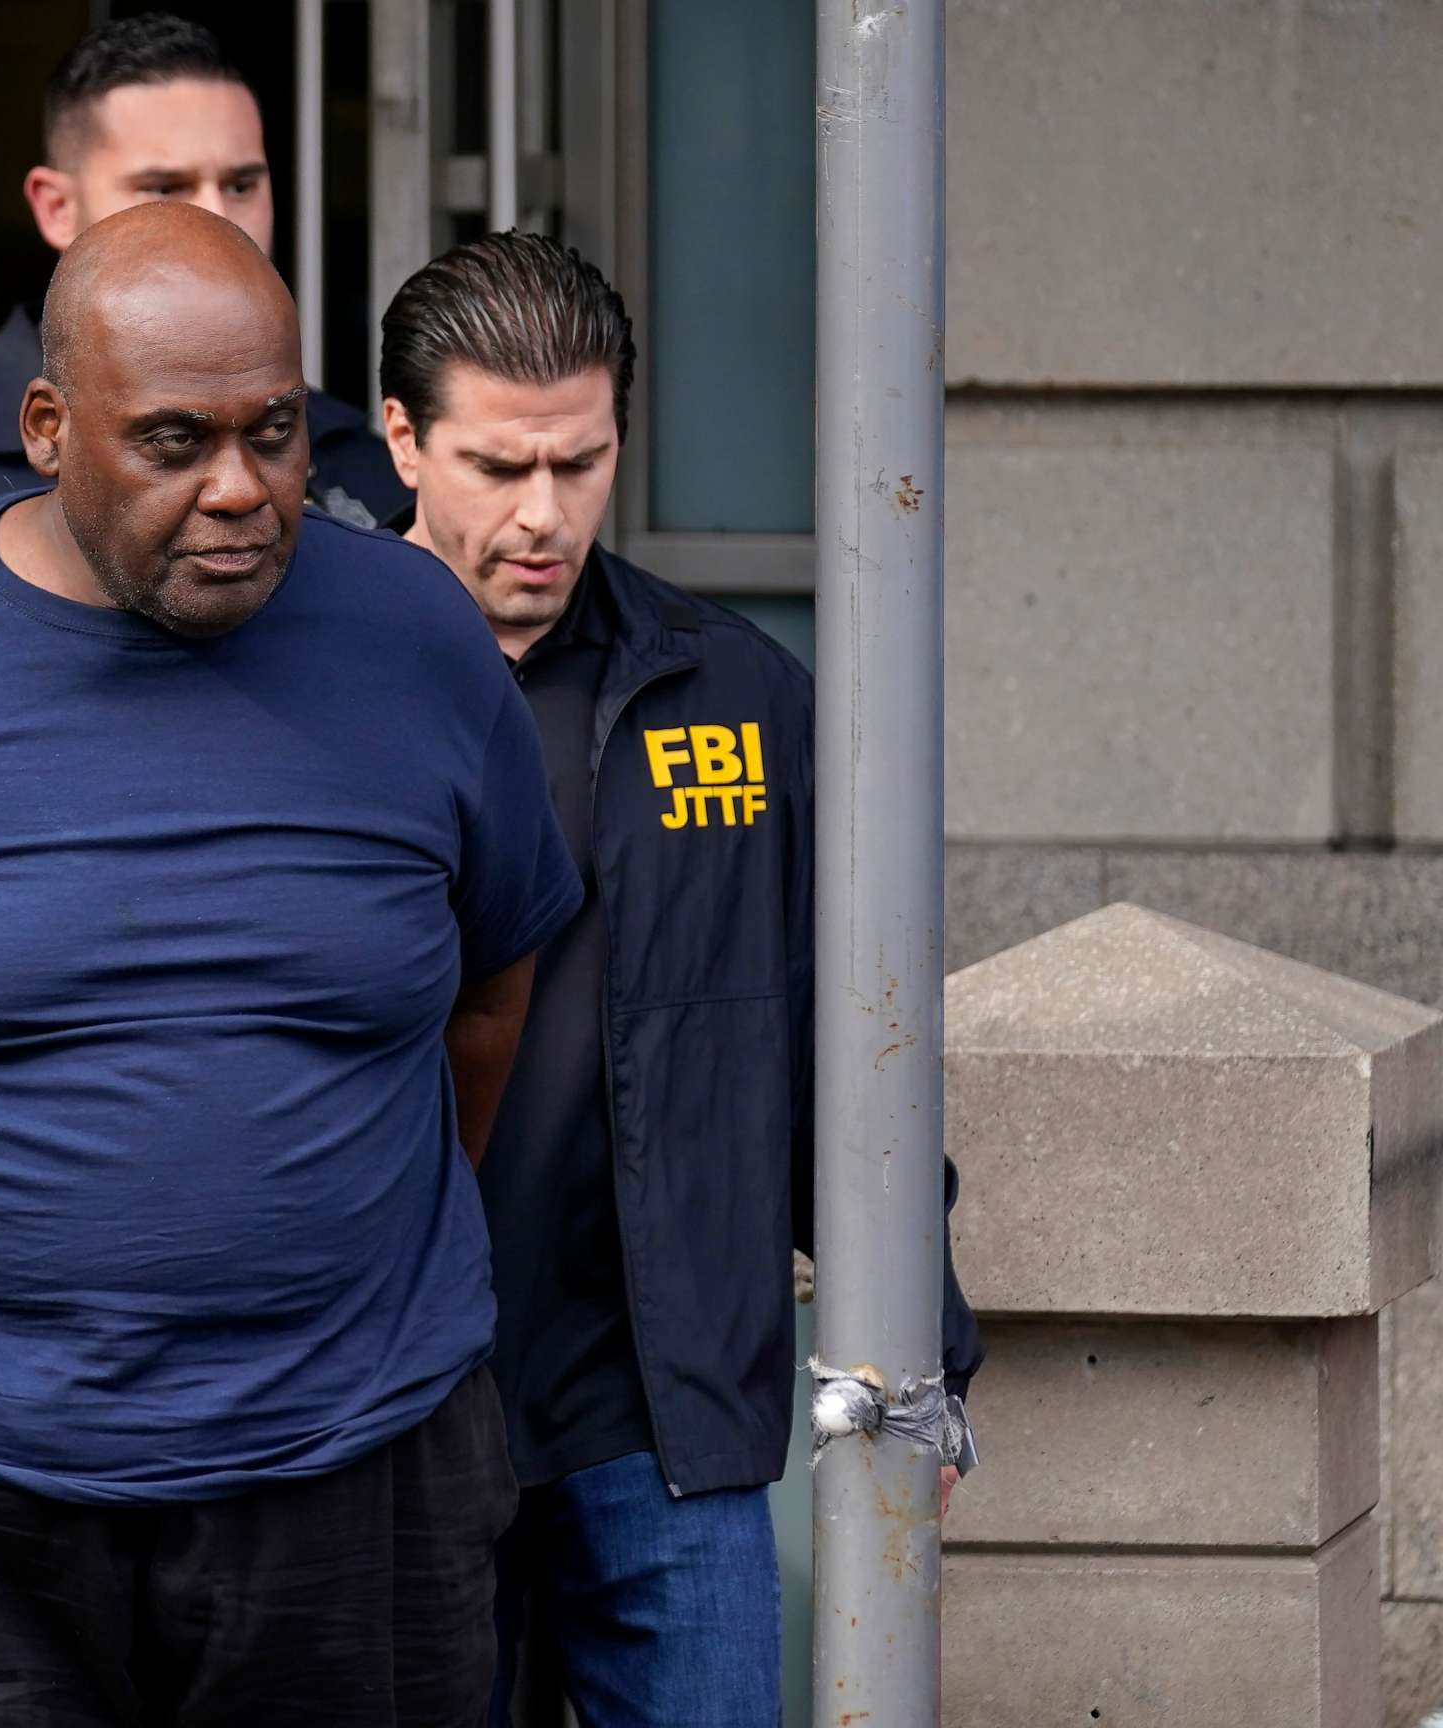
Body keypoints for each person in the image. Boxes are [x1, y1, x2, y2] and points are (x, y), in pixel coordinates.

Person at [0, 200, 580, 1728]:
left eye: (276, 433)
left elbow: (493, 989)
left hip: (356, 1475)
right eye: (174, 442)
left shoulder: (416, 636)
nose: (242, 492)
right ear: (46, 427)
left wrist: (338, 1233)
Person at [375, 230, 983, 1728]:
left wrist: (930, 1348)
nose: (543, 514)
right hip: (385, 1409)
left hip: (665, 1411)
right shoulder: (315, 682)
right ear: (400, 436)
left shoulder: (733, 695)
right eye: (498, 465)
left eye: (579, 464)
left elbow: (837, 1050)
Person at [0, 11, 406, 559]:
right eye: (165, 189)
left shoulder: (348, 452)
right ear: (57, 207)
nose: (215, 219)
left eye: (242, 184)